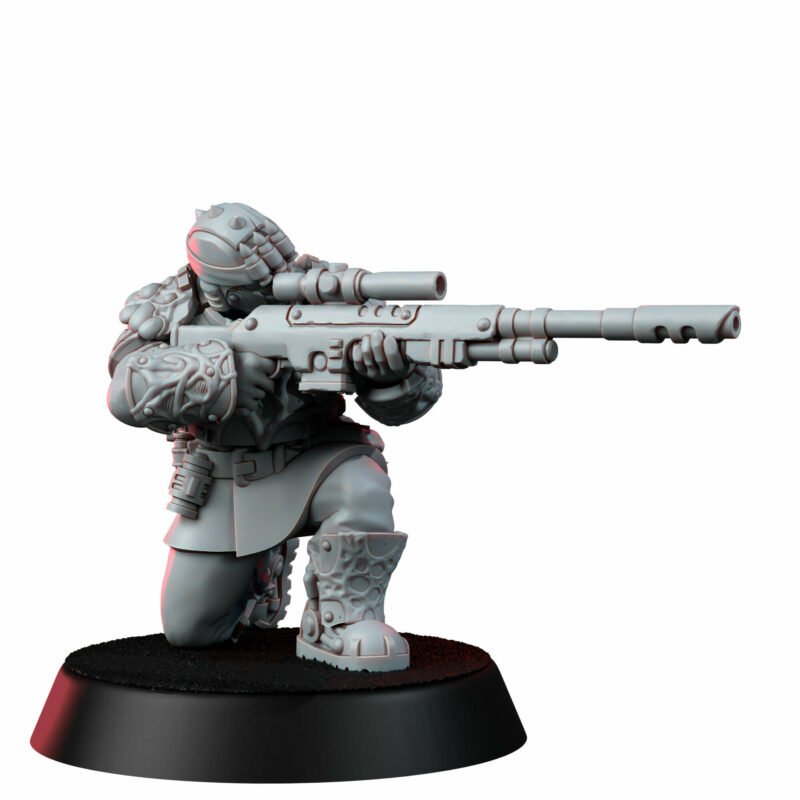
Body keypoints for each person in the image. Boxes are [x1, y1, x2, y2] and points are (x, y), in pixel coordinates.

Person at [107, 203, 442, 671]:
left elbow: (412, 401)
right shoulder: (169, 307)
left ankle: (342, 622)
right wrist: (218, 375)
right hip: (224, 478)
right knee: (191, 632)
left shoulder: (323, 292)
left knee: (362, 485)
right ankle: (262, 572)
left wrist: (389, 376)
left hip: (316, 460)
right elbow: (125, 391)